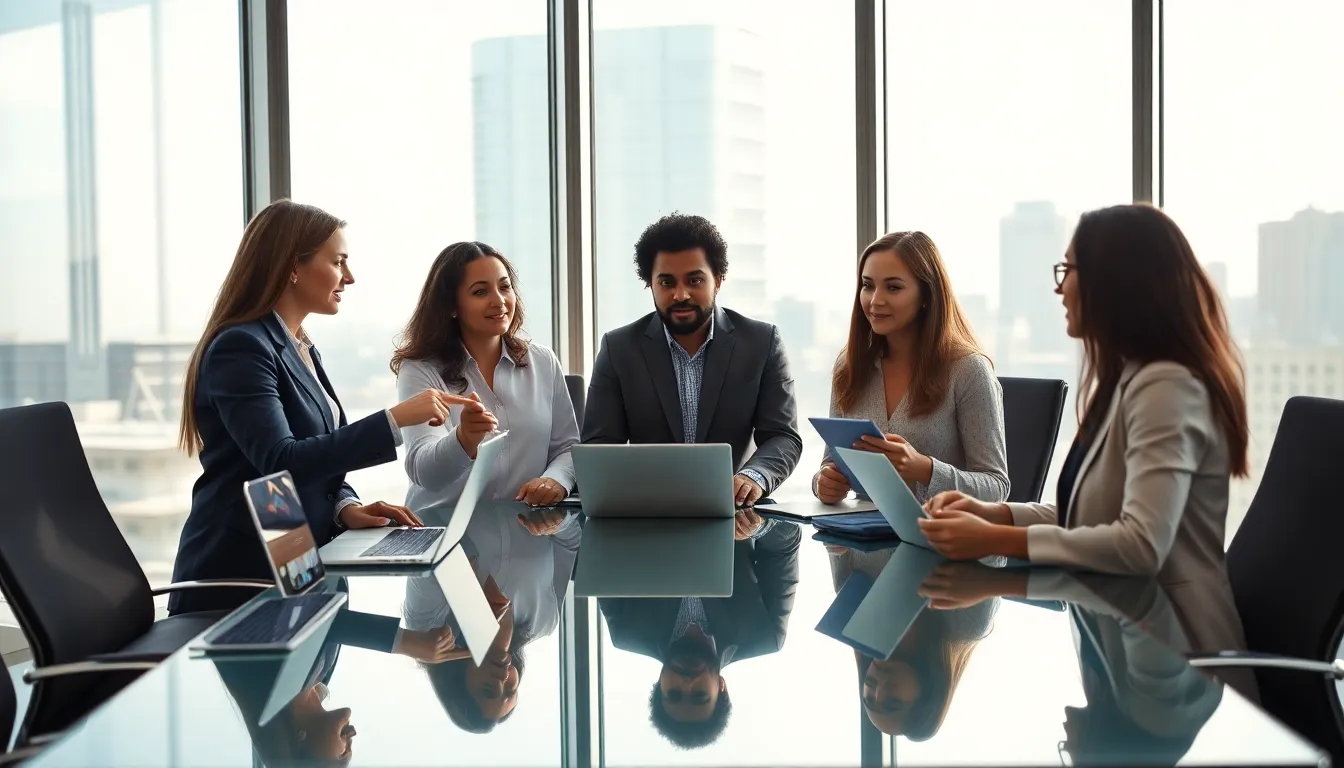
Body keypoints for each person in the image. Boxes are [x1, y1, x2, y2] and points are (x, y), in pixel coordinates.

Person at [920, 204, 1250, 652]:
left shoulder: (1166, 387)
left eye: (1068, 270)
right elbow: (1094, 520)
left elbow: (1139, 545)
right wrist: (993, 513)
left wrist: (998, 539)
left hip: (1177, 661)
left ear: (1114, 281)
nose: (1060, 288)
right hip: (1125, 638)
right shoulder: (1127, 381)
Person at [172, 200, 475, 615]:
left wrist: (344, 506)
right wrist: (395, 419)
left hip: (292, 557)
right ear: (291, 266)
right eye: (338, 262)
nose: (349, 277)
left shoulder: (299, 345)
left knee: (320, 671)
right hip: (242, 578)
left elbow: (318, 455)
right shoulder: (241, 347)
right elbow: (280, 461)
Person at [583, 213, 803, 539]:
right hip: (646, 532)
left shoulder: (761, 342)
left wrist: (754, 477)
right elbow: (598, 448)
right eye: (667, 282)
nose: (681, 294)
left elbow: (783, 436)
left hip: (736, 526)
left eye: (695, 280)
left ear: (719, 279)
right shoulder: (618, 348)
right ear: (650, 284)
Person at [814, 231, 1009, 506]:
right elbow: (830, 464)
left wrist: (925, 469)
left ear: (926, 295)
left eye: (893, 288)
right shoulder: (849, 365)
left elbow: (996, 486)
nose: (875, 300)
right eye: (868, 285)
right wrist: (824, 482)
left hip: (943, 539)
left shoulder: (968, 370)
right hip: (862, 539)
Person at [392, 241, 580, 513]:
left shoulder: (542, 361)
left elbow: (567, 447)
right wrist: (464, 438)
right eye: (480, 292)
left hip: (527, 531)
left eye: (504, 287)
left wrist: (556, 480)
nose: (499, 300)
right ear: (451, 306)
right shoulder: (419, 370)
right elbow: (426, 474)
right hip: (442, 536)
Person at [599, 522, 801, 749]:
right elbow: (786, 543)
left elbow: (598, 543)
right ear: (721, 687)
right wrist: (758, 525)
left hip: (641, 495)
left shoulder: (627, 629)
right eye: (699, 696)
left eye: (674, 694)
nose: (687, 684)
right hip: (732, 491)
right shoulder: (763, 635)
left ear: (659, 685)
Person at [827, 545, 997, 740]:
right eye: (893, 702)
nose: (879, 691)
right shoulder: (968, 623)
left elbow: (832, 533)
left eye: (869, 699)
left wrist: (835, 542)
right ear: (927, 694)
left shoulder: (852, 606)